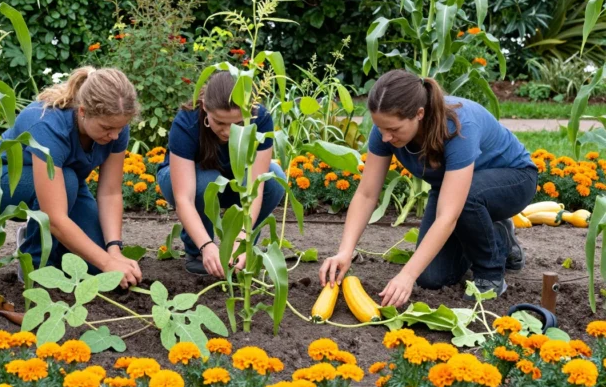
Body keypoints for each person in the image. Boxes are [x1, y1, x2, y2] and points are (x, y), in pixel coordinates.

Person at [319, 69, 537, 307]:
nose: (385, 137)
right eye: (381, 128)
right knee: (432, 278)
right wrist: (345, 251)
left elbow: (448, 216)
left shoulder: (458, 126)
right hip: (453, 188)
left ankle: (490, 272)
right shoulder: (385, 130)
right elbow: (367, 194)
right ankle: (495, 237)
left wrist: (406, 276)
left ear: (419, 114)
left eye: (393, 130)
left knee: (468, 201)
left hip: (514, 179)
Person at [0, 66, 142, 289]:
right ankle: (34, 264)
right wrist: (107, 263)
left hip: (62, 185)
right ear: (83, 111)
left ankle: (46, 240)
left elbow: (110, 192)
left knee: (97, 270)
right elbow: (54, 217)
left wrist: (114, 252)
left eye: (120, 128)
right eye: (107, 128)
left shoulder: (116, 127)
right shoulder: (48, 125)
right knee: (67, 181)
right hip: (2, 182)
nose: (114, 135)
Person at [157, 71, 286, 277]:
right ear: (205, 108)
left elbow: (256, 188)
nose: (228, 131)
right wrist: (206, 245)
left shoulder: (260, 119)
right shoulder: (187, 122)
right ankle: (198, 252)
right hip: (186, 183)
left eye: (238, 124)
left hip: (234, 181)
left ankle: (241, 249)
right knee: (208, 182)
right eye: (220, 122)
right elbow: (184, 199)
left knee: (274, 178)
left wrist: (242, 237)